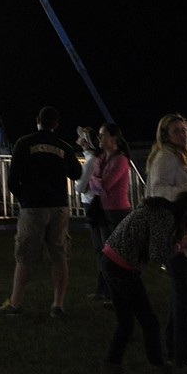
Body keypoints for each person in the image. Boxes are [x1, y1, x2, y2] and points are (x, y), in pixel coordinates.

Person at [95, 191, 187, 374]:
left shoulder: (157, 210)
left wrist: (177, 242)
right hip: (122, 268)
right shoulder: (164, 217)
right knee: (150, 324)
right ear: (186, 215)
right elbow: (157, 254)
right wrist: (180, 245)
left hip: (111, 261)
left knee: (126, 325)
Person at [0, 105, 81, 318]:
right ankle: (58, 304)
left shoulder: (24, 143)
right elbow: (76, 172)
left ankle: (15, 303)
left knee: (25, 256)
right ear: (56, 124)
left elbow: (13, 179)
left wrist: (25, 199)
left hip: (33, 206)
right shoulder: (63, 146)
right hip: (58, 206)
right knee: (59, 255)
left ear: (37, 120)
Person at [144, 113, 187, 365]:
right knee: (183, 290)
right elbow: (157, 190)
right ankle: (183, 352)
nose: (181, 134)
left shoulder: (177, 155)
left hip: (175, 227)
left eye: (183, 129)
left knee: (180, 290)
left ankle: (175, 344)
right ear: (165, 134)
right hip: (169, 228)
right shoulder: (166, 156)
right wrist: (184, 190)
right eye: (176, 130)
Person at [87, 122, 132, 305]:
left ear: (113, 138)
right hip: (104, 210)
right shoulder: (102, 158)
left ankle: (117, 293)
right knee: (103, 252)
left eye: (103, 134)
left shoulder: (120, 160)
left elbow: (104, 185)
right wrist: (94, 180)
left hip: (118, 211)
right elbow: (97, 182)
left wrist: (91, 179)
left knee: (115, 253)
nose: (99, 138)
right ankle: (105, 290)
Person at [76, 126, 105, 297]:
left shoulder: (91, 161)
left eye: (80, 138)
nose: (77, 140)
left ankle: (104, 288)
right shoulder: (95, 159)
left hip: (93, 204)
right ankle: (103, 287)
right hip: (96, 202)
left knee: (99, 247)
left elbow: (80, 186)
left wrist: (80, 183)